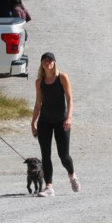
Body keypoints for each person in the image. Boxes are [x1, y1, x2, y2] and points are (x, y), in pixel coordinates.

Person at [32, 52, 79, 197]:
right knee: (45, 155)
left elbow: (70, 99)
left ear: (54, 63)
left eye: (50, 60)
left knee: (63, 155)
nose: (48, 63)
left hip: (61, 121)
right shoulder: (39, 82)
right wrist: (33, 122)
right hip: (44, 121)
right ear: (42, 64)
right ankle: (49, 187)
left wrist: (69, 118)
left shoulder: (62, 78)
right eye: (45, 61)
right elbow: (38, 104)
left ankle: (72, 176)